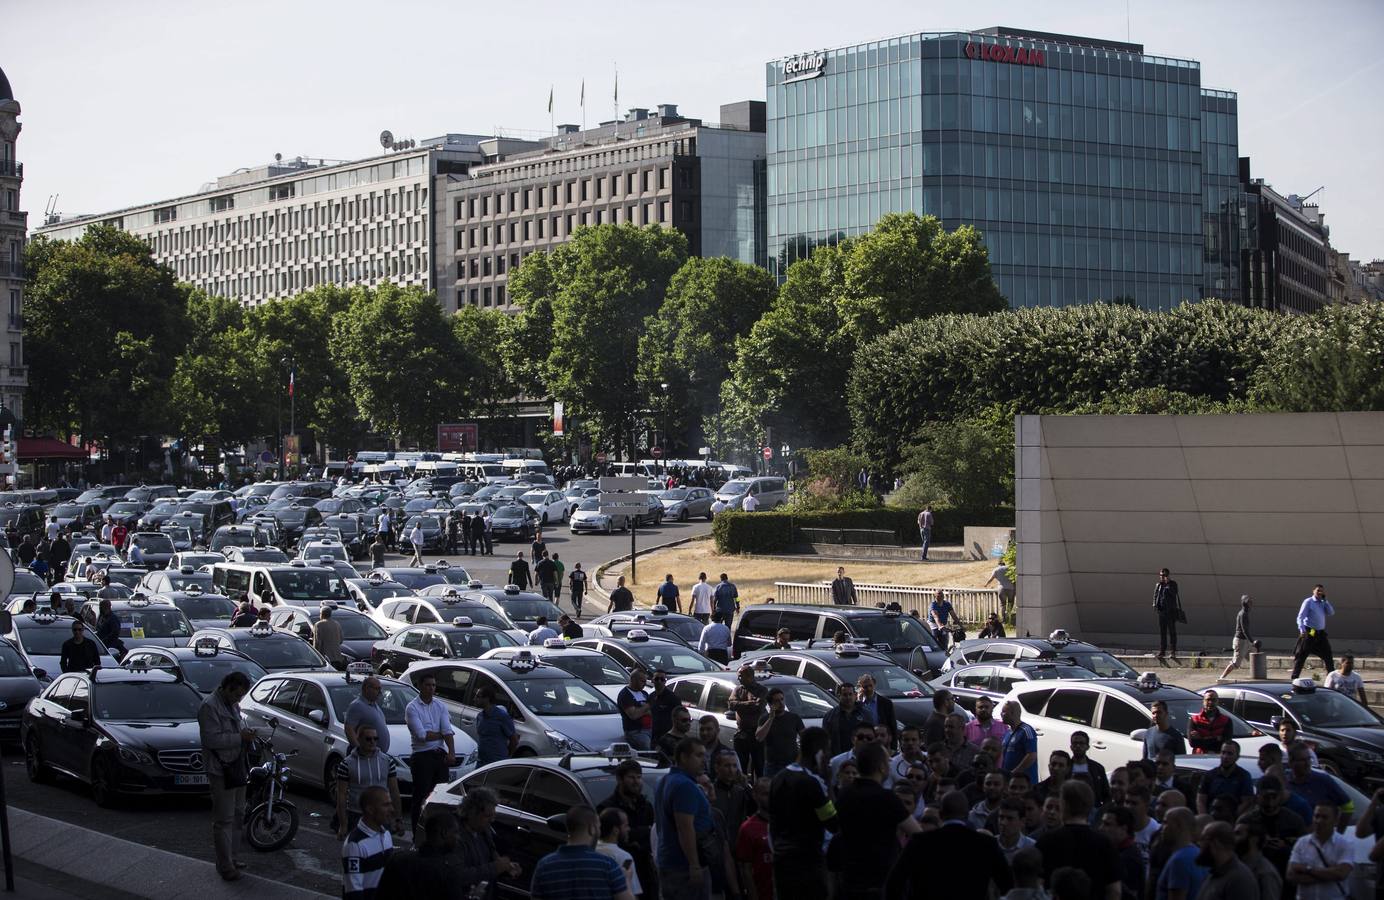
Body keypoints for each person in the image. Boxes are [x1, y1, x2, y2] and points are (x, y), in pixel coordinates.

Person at [831, 741, 920, 898]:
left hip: (849, 880)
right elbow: (917, 833)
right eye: (887, 761)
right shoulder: (887, 798)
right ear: (881, 767)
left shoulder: (844, 794)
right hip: (879, 883)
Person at [885, 789, 1011, 900]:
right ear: (967, 814)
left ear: (940, 815)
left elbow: (894, 882)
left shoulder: (920, 841)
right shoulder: (986, 844)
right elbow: (1007, 884)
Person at [767, 727, 839, 900]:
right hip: (808, 863)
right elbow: (833, 822)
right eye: (827, 750)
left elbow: (772, 822)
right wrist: (828, 782)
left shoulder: (778, 778)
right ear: (819, 752)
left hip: (781, 861)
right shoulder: (812, 783)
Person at [199, 670, 257, 881]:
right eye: (236, 694)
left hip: (236, 765)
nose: (238, 699)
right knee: (224, 818)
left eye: (241, 696)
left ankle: (232, 857)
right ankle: (225, 864)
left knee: (239, 814)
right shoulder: (209, 706)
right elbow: (212, 740)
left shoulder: (233, 705)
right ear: (226, 687)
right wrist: (240, 737)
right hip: (220, 768)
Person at [1034, 780, 1123, 900]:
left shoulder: (1046, 841)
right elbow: (1115, 891)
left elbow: (1037, 885)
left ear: (1064, 805)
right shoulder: (1105, 843)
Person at [656, 738, 717, 900]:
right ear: (683, 757)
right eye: (699, 755)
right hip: (683, 866)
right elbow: (684, 828)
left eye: (705, 756)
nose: (704, 760)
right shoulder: (684, 785)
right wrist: (694, 865)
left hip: (671, 862)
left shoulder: (665, 780)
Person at [531, 805, 633, 900]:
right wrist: (626, 880)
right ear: (591, 829)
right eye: (598, 827)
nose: (599, 832)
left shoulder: (544, 866)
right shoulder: (608, 865)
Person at [404, 673, 456, 841]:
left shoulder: (440, 706)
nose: (431, 688)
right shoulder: (412, 708)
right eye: (428, 685)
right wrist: (442, 734)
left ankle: (438, 835)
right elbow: (421, 735)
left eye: (433, 685)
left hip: (439, 755)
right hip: (422, 756)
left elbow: (447, 731)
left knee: (440, 797)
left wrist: (451, 752)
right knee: (420, 797)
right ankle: (417, 836)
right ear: (420, 686)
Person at [600, 758, 659, 900]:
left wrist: (639, 834)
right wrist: (642, 832)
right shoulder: (607, 809)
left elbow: (653, 836)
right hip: (621, 868)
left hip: (646, 871)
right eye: (631, 777)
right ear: (620, 779)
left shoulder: (646, 807)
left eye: (639, 777)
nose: (636, 781)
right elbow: (608, 841)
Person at [374, 810, 467, 900]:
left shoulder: (397, 860)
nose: (458, 838)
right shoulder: (447, 872)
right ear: (444, 833)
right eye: (455, 832)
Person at [335, 725, 404, 839]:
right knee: (357, 846)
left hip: (382, 815)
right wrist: (343, 824)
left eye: (375, 738)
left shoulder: (387, 761)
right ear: (359, 739)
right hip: (356, 815)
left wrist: (398, 818)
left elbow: (394, 791)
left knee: (382, 847)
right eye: (368, 739)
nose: (372, 742)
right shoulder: (347, 764)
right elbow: (341, 795)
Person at [1287, 804, 1354, 900]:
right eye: (1316, 816)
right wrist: (1329, 875)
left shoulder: (1345, 844)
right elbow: (1291, 875)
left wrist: (1307, 869)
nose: (1319, 821)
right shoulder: (1302, 842)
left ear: (1335, 821)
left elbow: (1341, 873)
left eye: (1324, 817)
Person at [342, 786, 396, 900]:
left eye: (390, 804)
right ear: (370, 809)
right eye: (386, 805)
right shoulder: (355, 845)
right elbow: (353, 891)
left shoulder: (386, 834)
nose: (392, 809)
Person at [1194, 821, 1257, 900]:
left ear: (1216, 843)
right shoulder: (1215, 874)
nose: (1199, 845)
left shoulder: (1239, 879)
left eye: (1203, 840)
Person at [734, 779, 773, 900]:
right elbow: (745, 869)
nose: (771, 797)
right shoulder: (748, 829)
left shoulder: (786, 822)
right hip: (763, 892)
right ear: (755, 795)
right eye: (765, 794)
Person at [728, 664, 768, 777]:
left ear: (750, 676)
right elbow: (731, 705)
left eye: (740, 676)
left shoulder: (762, 690)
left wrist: (740, 705)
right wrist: (749, 703)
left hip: (757, 734)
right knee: (741, 767)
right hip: (741, 734)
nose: (738, 678)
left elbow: (759, 707)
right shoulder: (738, 690)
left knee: (759, 766)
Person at [756, 687, 805, 778]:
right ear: (770, 704)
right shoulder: (764, 719)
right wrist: (771, 718)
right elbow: (759, 737)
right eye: (777, 701)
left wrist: (799, 758)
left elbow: (806, 739)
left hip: (792, 763)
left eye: (782, 699)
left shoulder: (794, 718)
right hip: (772, 765)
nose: (781, 703)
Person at [1097, 805, 1144, 900]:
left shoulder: (1129, 858)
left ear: (1123, 828)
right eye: (1102, 823)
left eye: (1107, 824)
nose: (1101, 828)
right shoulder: (1116, 851)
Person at [1197, 741, 1254, 818]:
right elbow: (1201, 800)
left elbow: (1247, 802)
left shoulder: (1244, 776)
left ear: (1237, 757)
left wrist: (1231, 818)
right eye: (1223, 752)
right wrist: (1205, 818)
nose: (1225, 756)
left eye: (1230, 753)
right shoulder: (1209, 775)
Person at [597, 809, 643, 899]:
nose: (629, 829)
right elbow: (632, 892)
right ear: (615, 830)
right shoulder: (625, 858)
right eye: (626, 826)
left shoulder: (592, 851)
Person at [1290, 584, 1335, 679]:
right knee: (1303, 653)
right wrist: (1302, 630)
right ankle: (1295, 676)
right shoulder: (1308, 602)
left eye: (1321, 591)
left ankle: (1332, 677)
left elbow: (1331, 612)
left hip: (1320, 632)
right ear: (1313, 591)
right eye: (1318, 590)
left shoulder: (1323, 602)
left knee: (1328, 654)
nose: (1319, 592)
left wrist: (1326, 601)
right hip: (1311, 631)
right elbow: (1300, 617)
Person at [1232, 818, 1281, 900]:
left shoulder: (1266, 873)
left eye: (1238, 834)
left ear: (1254, 839)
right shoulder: (1235, 866)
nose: (1232, 838)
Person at [823, 682, 876, 756]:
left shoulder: (865, 714)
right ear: (839, 696)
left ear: (855, 695)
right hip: (839, 757)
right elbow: (826, 741)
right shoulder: (830, 716)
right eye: (844, 695)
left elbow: (872, 736)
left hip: (862, 756)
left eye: (850, 694)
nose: (848, 697)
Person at [345, 676, 391, 753]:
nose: (380, 692)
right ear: (367, 689)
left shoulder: (374, 704)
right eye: (377, 689)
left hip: (376, 756)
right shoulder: (357, 705)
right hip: (364, 756)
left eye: (380, 689)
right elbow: (349, 730)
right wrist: (359, 750)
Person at [475, 686, 518, 766]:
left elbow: (514, 740)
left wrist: (506, 757)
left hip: (496, 763)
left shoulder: (502, 716)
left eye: (478, 697)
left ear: (487, 699)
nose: (474, 699)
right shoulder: (479, 716)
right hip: (481, 762)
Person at [1218, 596, 1257, 681]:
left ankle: (1257, 676)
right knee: (1236, 663)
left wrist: (1250, 642)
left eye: (1251, 602)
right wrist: (1252, 641)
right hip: (1240, 641)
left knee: (1254, 656)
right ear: (1245, 604)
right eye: (1249, 602)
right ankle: (1222, 677)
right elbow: (1244, 630)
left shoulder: (1245, 613)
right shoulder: (1242, 614)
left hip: (1245, 640)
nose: (1251, 604)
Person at [1001, 700, 1039, 784]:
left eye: (1004, 712)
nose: (1001, 714)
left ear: (1013, 713)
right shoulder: (1007, 732)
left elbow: (1032, 755)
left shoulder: (1026, 730)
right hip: (1009, 781)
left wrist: (1014, 772)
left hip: (1024, 782)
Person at [617, 670, 654, 751]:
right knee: (647, 751)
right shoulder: (625, 694)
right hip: (636, 732)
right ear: (633, 680)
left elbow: (652, 712)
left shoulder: (644, 693)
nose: (645, 684)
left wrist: (641, 709)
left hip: (649, 729)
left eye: (645, 681)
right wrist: (647, 706)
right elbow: (633, 715)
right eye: (642, 681)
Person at [1188, 691, 1233, 755]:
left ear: (1217, 701)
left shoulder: (1226, 720)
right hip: (1200, 757)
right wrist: (1216, 739)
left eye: (1213, 700)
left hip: (1219, 757)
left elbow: (1226, 744)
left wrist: (1202, 739)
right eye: (1208, 700)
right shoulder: (1194, 719)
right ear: (1203, 701)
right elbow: (1193, 743)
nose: (1210, 702)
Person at [1152, 568, 1183, 661]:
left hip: (1170, 611)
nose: (1162, 577)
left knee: (1172, 632)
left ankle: (1173, 651)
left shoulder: (1173, 584)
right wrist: (1154, 604)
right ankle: (1162, 651)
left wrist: (1168, 584)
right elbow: (1155, 595)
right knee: (1163, 632)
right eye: (1161, 575)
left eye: (1164, 575)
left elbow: (1174, 593)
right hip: (1161, 611)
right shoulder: (1158, 585)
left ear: (1168, 575)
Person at [649, 670, 683, 740]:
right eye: (657, 679)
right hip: (653, 734)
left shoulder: (673, 698)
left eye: (662, 679)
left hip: (667, 735)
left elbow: (680, 715)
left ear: (665, 681)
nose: (659, 681)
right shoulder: (651, 696)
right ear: (652, 680)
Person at [314, 604, 345, 669]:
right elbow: (341, 640)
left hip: (325, 658)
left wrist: (315, 656)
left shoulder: (319, 625)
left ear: (322, 614)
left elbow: (317, 642)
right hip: (337, 657)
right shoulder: (336, 624)